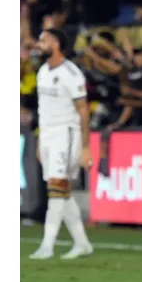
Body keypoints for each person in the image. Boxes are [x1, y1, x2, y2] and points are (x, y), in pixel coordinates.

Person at [30, 28, 94, 260]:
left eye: (43, 40)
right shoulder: (43, 72)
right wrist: (40, 140)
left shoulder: (71, 73)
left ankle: (47, 245)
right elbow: (43, 110)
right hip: (47, 135)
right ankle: (82, 243)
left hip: (66, 134)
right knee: (62, 191)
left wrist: (85, 147)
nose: (38, 44)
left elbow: (83, 110)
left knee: (56, 188)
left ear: (56, 44)